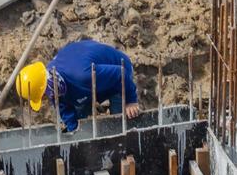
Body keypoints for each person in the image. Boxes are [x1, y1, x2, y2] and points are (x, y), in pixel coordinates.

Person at [15, 39, 143, 133]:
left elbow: (120, 73)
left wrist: (131, 101)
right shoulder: (53, 84)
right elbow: (63, 107)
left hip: (118, 76)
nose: (46, 98)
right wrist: (74, 131)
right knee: (80, 119)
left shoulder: (83, 75)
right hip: (89, 82)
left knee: (120, 125)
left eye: (43, 95)